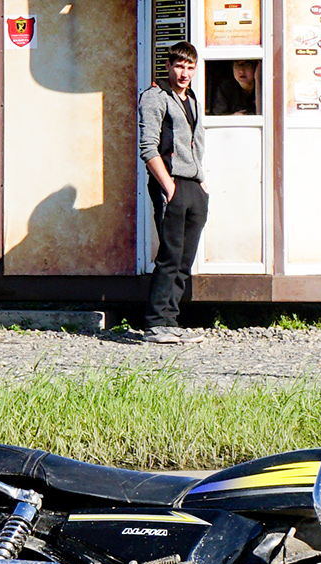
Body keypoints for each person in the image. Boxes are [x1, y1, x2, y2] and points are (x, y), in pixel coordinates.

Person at [136, 41, 207, 345]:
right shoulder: (155, 97)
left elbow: (196, 145)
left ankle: (171, 320)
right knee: (169, 255)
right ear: (168, 66)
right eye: (179, 66)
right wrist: (169, 187)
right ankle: (155, 323)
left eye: (190, 67)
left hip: (193, 186)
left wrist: (202, 184)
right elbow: (148, 147)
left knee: (184, 259)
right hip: (171, 184)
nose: (184, 73)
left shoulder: (191, 99)